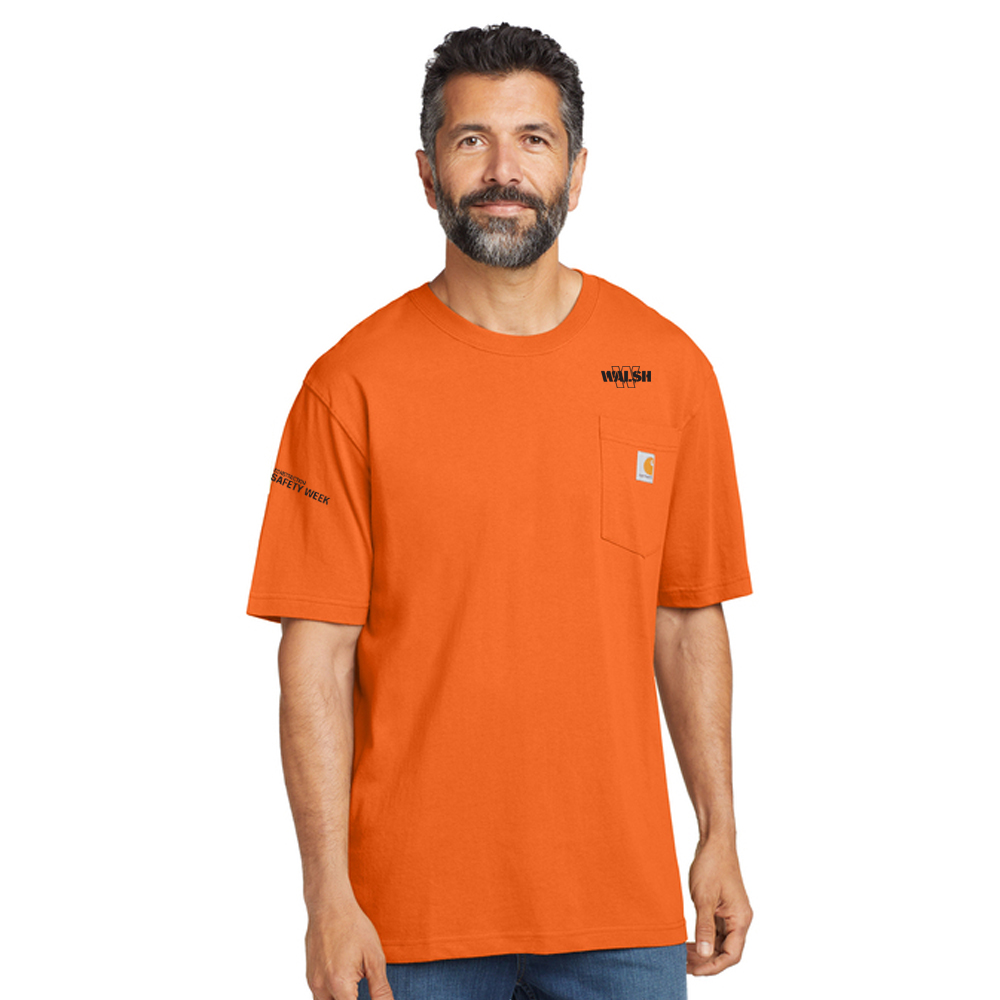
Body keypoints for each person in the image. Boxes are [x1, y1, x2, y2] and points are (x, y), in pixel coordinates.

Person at [247, 23, 753, 1000]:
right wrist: (325, 894)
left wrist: (720, 830)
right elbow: (315, 656)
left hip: (622, 914)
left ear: (578, 169)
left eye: (533, 139)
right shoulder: (349, 385)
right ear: (426, 172)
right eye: (471, 140)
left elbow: (688, 617)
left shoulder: (669, 370)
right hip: (410, 920)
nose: (502, 171)